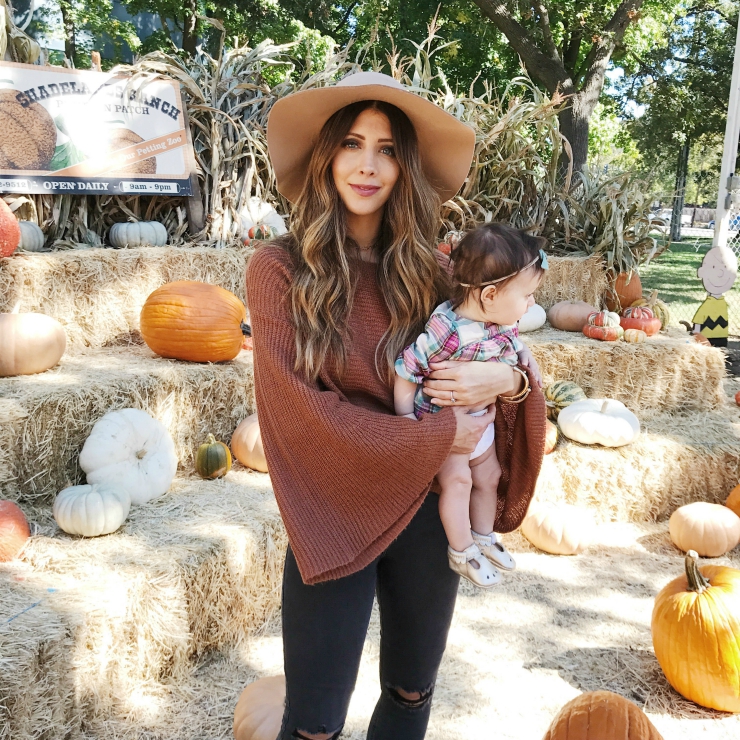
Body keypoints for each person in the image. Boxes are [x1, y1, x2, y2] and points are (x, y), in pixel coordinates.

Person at [246, 70, 545, 740]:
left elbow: (505, 354)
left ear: (405, 166)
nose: (368, 164)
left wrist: (509, 381)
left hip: (424, 506)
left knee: (412, 693)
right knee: (313, 723)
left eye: (386, 148)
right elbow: (298, 412)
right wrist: (438, 437)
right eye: (352, 143)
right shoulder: (279, 270)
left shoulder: (440, 269)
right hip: (336, 503)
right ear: (327, 156)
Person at [394, 224, 546, 588]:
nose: (532, 304)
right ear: (490, 294)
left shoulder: (501, 323)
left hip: (481, 424)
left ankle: (482, 536)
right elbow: (406, 369)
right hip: (444, 425)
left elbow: (512, 349)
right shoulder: (447, 329)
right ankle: (461, 551)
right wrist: (408, 424)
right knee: (459, 482)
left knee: (489, 477)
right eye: (527, 296)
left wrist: (526, 359)